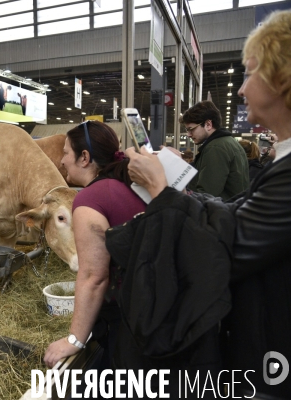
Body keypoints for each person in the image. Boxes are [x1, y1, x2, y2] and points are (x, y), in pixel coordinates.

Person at [121, 10, 291, 398]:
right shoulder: (280, 159)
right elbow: (240, 210)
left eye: (250, 73)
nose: (241, 90)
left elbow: (232, 248)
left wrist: (164, 191)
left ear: (283, 77)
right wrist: (180, 185)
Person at [44, 121, 146, 370]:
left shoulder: (90, 199)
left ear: (84, 157)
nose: (62, 161)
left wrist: (75, 340)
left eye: (66, 152)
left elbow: (94, 276)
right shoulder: (131, 183)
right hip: (156, 307)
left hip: (128, 319)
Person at [181, 100, 249, 200]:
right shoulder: (229, 142)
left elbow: (206, 195)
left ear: (208, 124)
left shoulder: (215, 148)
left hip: (221, 211)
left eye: (191, 129)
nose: (189, 134)